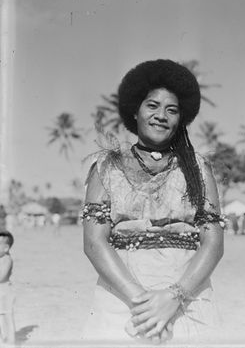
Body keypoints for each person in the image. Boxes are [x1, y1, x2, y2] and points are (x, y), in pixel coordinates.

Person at [81, 59, 225, 344]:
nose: (162, 115)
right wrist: (143, 303)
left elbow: (214, 243)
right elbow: (94, 243)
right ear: (134, 111)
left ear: (180, 119)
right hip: (122, 298)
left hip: (188, 296)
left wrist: (173, 297)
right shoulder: (106, 167)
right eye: (152, 105)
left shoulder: (198, 169)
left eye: (172, 110)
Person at [0, 231, 15, 344]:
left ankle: (11, 341)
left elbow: (2, 276)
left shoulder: (7, 260)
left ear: (6, 248)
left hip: (5, 292)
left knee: (7, 317)